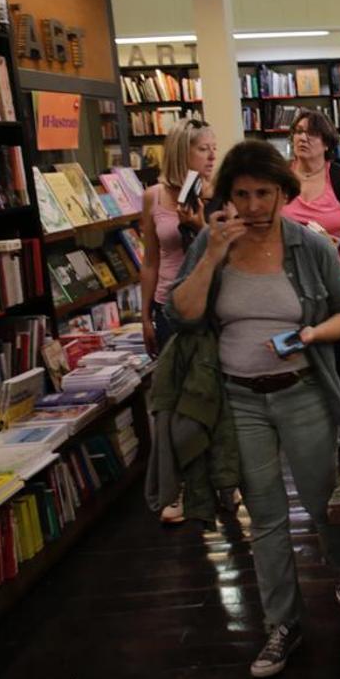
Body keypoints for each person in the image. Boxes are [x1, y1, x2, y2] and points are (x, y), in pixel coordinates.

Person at [167, 140, 340, 678]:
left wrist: (313, 333)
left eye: (263, 193)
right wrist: (210, 256)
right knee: (266, 516)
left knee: (323, 501)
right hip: (238, 398)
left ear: (283, 193)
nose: (252, 206)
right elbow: (180, 314)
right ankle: (283, 623)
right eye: (241, 194)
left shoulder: (309, 245)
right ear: (226, 196)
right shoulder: (213, 242)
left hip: (301, 389)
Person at [139, 119, 217, 524]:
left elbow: (224, 250)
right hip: (168, 310)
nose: (211, 156)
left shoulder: (216, 197)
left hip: (208, 307)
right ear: (182, 152)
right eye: (204, 148)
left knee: (210, 394)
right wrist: (145, 315)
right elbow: (150, 260)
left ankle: (222, 480)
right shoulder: (153, 197)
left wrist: (199, 224)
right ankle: (179, 488)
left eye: (213, 148)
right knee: (173, 401)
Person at [281, 109, 340, 418]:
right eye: (297, 131)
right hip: (291, 284)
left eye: (310, 133)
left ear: (326, 142)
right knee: (298, 352)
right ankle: (305, 418)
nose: (302, 138)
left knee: (338, 354)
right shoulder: (281, 178)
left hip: (336, 282)